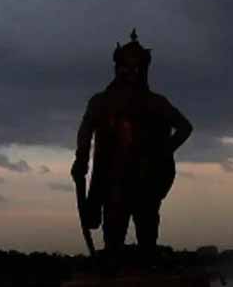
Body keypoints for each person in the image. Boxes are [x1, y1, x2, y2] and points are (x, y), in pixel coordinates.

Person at [70, 30, 192, 261]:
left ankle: (146, 265)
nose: (132, 72)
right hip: (113, 180)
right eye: (127, 67)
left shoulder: (156, 103)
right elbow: (85, 132)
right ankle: (113, 267)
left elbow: (185, 127)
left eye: (137, 68)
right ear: (118, 68)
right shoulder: (101, 102)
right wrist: (81, 160)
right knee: (114, 233)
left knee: (147, 232)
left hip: (146, 179)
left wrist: (163, 152)